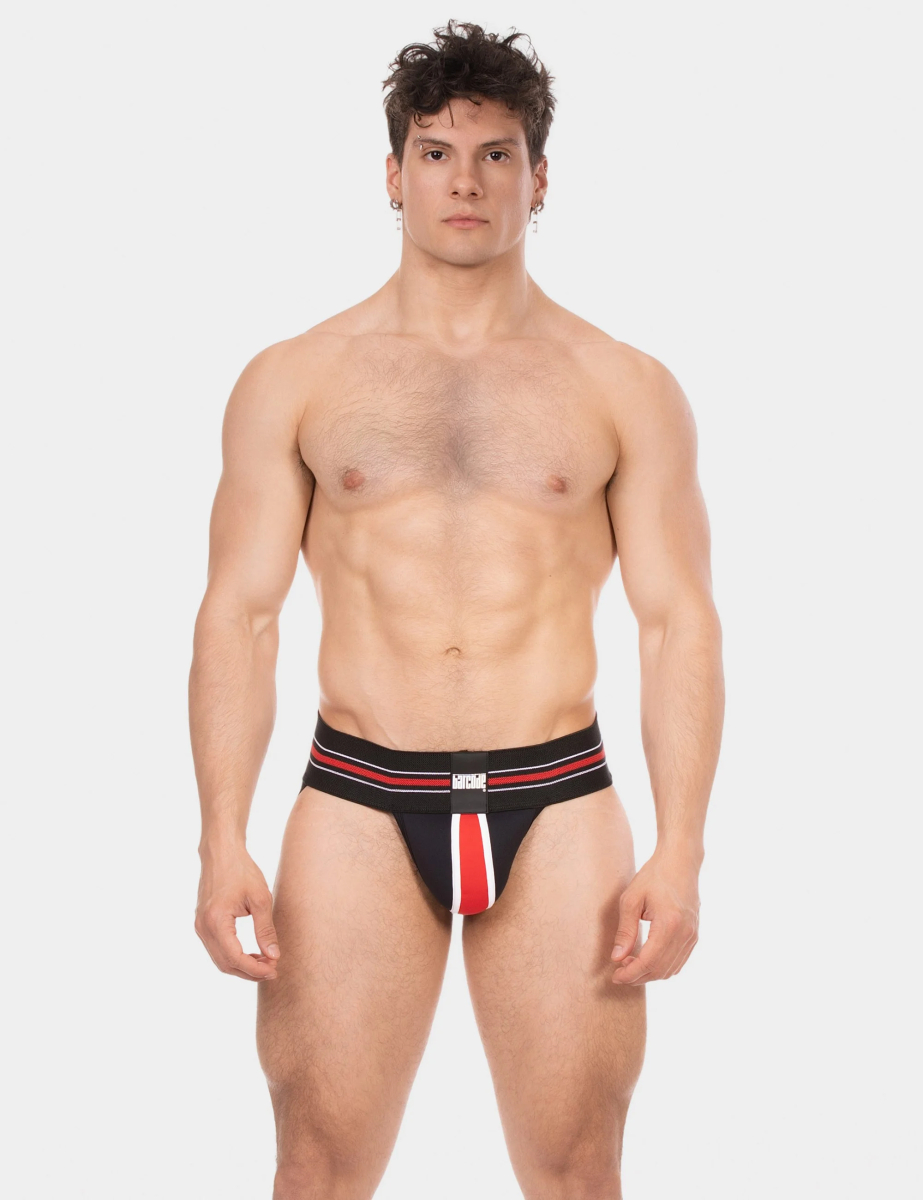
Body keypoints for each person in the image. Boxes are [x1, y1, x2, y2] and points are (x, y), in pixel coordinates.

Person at [189, 20, 724, 1200]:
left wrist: (680, 850)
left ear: (540, 176)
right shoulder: (295, 377)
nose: (465, 181)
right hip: (357, 798)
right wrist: (221, 839)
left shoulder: (623, 385)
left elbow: (675, 621)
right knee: (317, 1169)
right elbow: (241, 615)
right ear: (393, 175)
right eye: (435, 153)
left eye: (495, 154)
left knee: (577, 1173)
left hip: (558, 799)